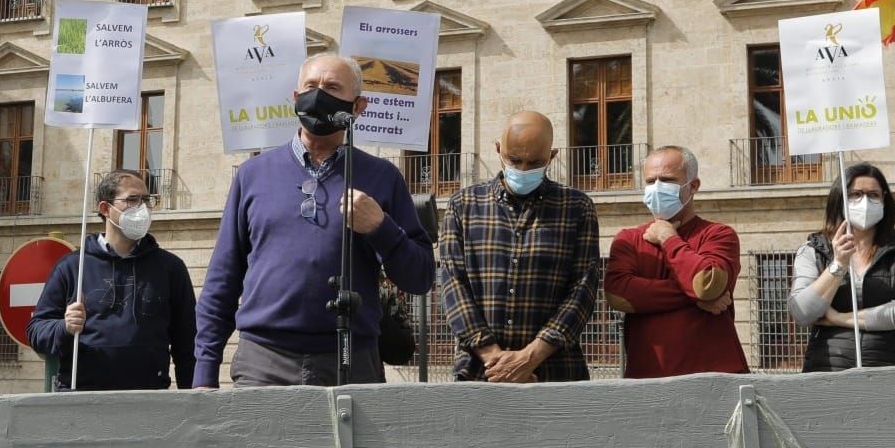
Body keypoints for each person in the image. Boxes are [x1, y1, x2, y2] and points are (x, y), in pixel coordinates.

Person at [195, 54, 434, 387]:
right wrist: (205, 372)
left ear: (358, 106)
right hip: (264, 363)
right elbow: (223, 279)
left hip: (351, 361)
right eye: (310, 86)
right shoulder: (253, 175)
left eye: (333, 87)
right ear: (295, 99)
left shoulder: (382, 177)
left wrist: (382, 228)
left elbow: (420, 276)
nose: (319, 95)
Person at [437, 111, 601, 382]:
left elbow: (583, 290)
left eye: (534, 162)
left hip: (555, 374)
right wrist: (496, 361)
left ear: (552, 156)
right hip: (480, 373)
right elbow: (453, 285)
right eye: (515, 160)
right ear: (499, 150)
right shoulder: (463, 206)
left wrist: (529, 358)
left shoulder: (576, 208)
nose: (523, 170)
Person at [29, 170, 197, 390]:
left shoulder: (170, 268)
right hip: (81, 400)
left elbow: (188, 343)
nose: (142, 208)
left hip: (149, 402)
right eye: (132, 200)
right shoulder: (71, 267)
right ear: (105, 208)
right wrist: (64, 327)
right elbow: (36, 330)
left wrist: (193, 400)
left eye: (147, 200)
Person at [604, 145, 748, 378]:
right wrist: (695, 296)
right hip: (648, 379)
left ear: (693, 186)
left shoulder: (720, 234)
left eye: (667, 180)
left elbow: (708, 283)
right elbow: (618, 294)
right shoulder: (628, 240)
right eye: (651, 181)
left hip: (717, 377)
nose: (657, 188)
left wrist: (668, 238)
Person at [787, 164, 895, 370]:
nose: (865, 201)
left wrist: (840, 318)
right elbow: (802, 312)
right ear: (840, 198)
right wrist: (837, 266)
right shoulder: (813, 249)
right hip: (827, 371)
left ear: (884, 199)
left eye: (873, 195)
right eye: (855, 194)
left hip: (892, 371)